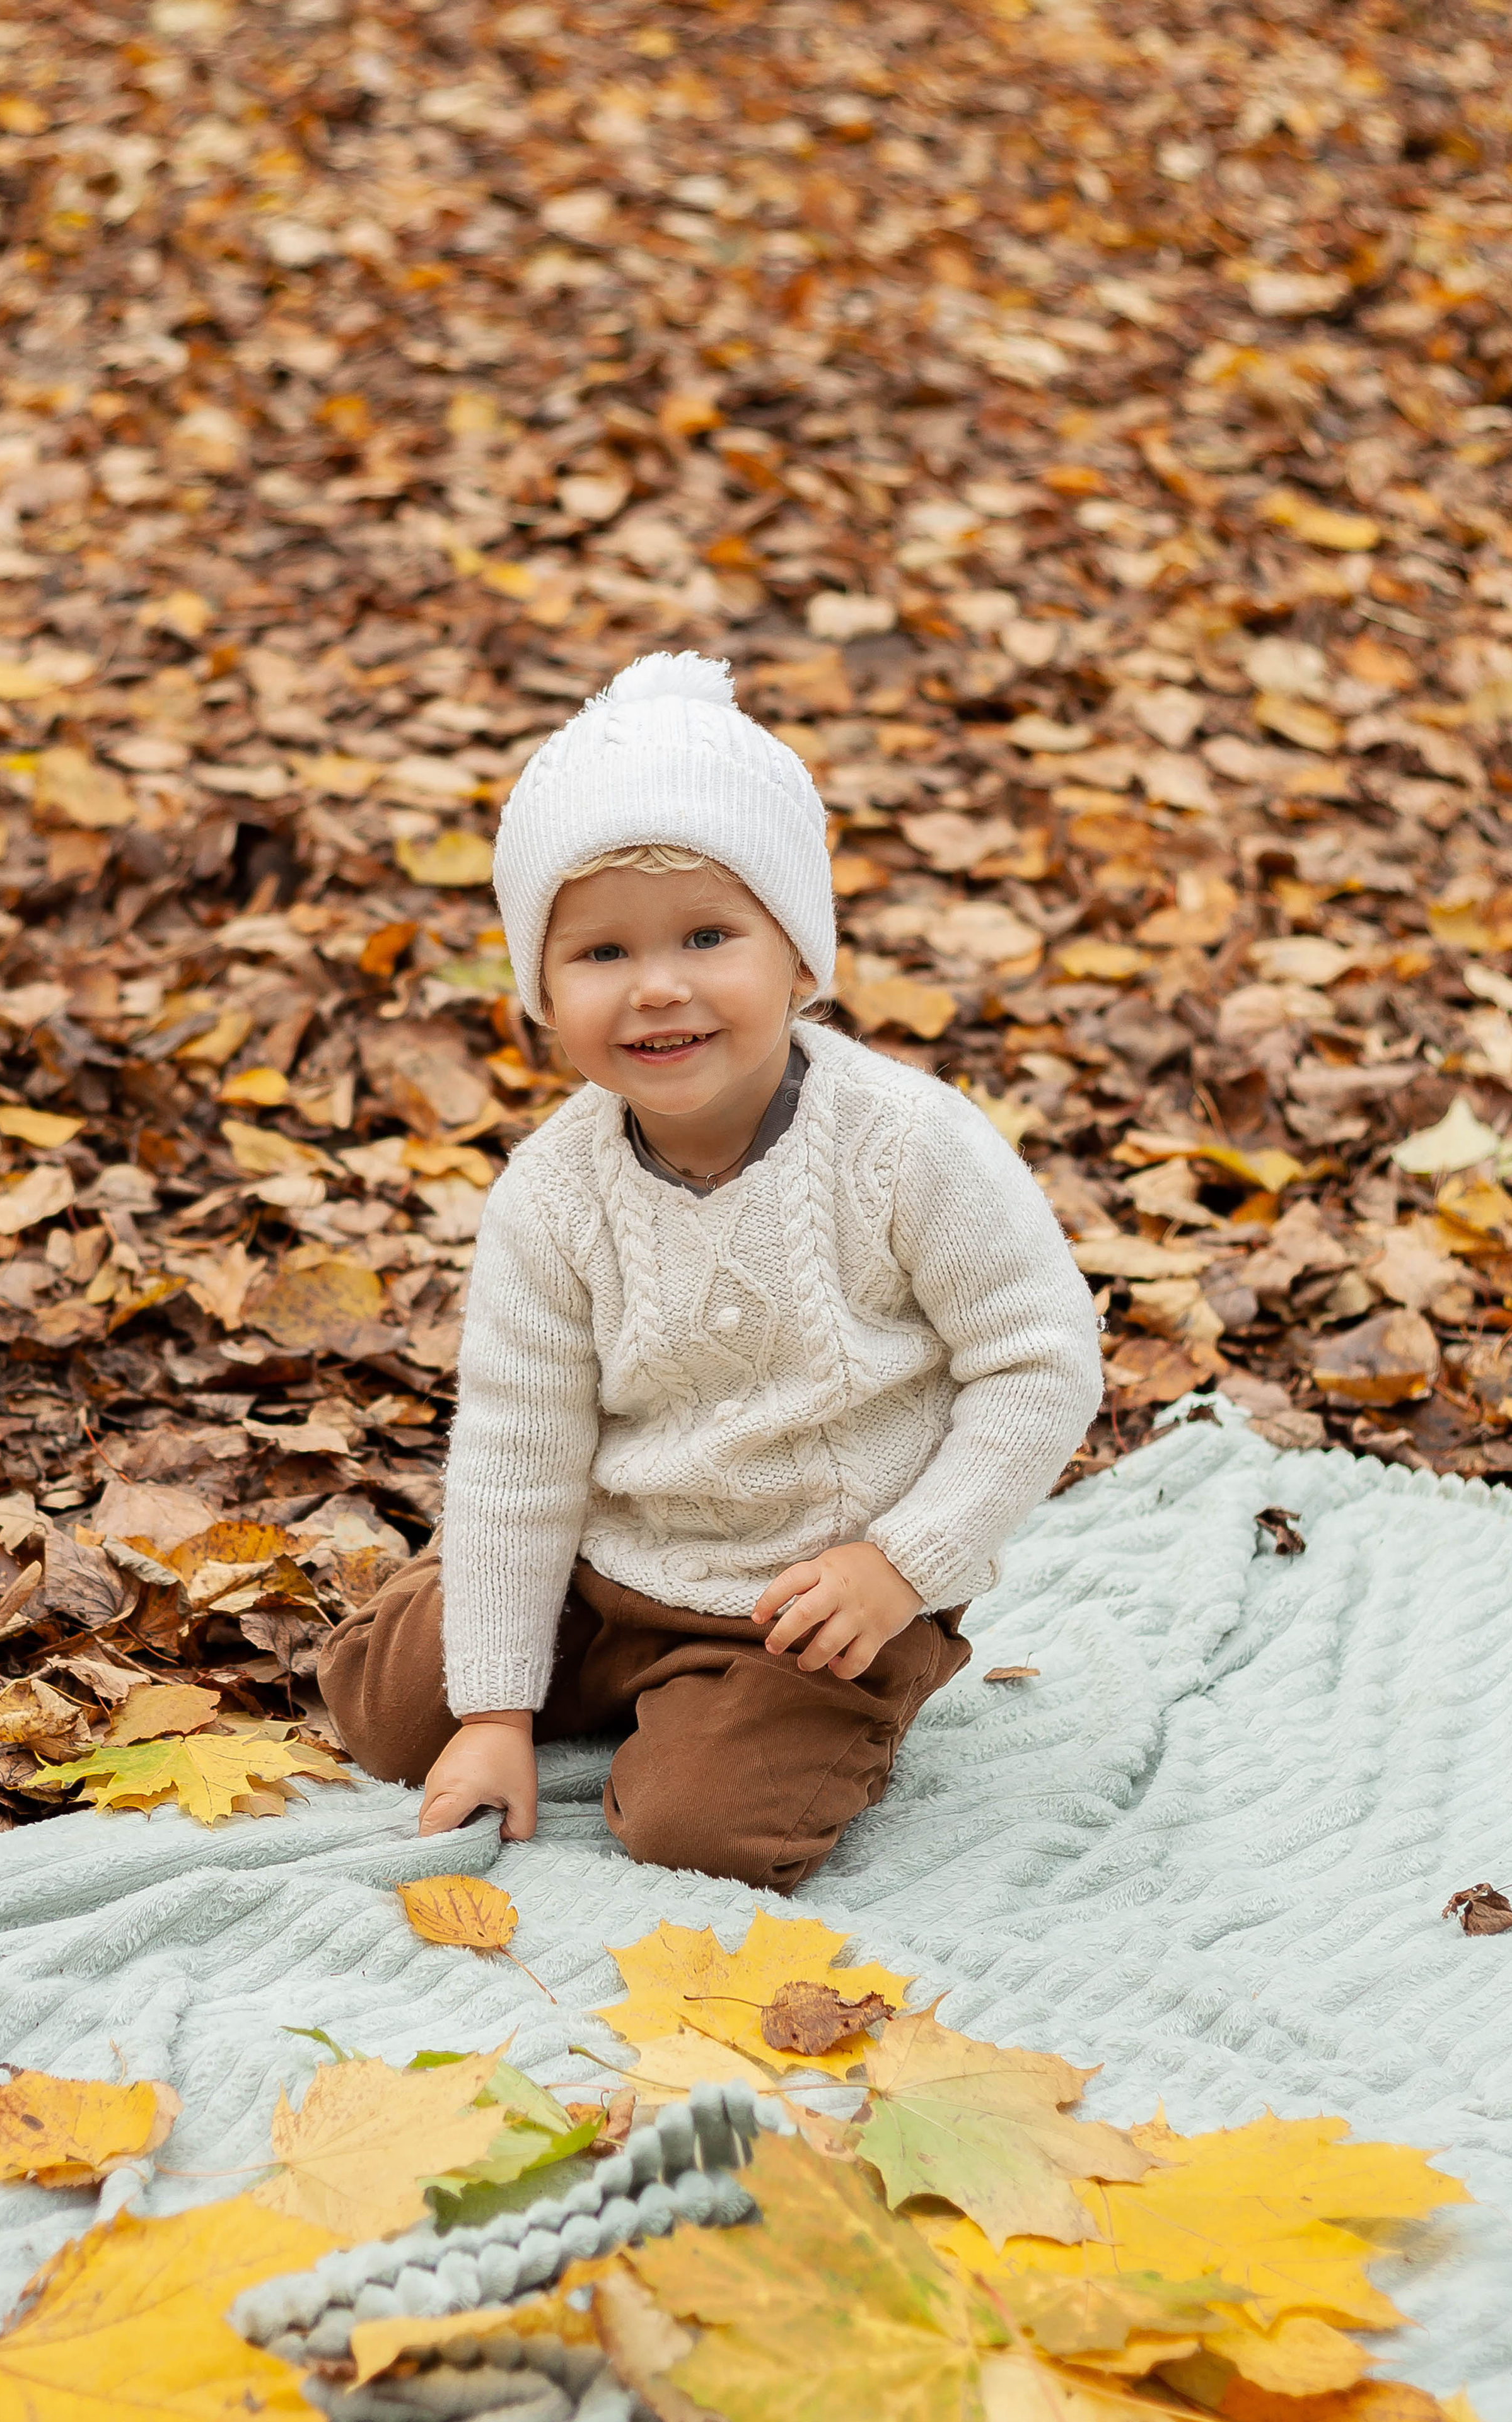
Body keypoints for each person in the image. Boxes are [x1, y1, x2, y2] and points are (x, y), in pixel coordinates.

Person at [318, 651, 1101, 1890]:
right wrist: (493, 1712)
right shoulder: (551, 1193)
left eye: (706, 934)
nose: (659, 986)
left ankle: (853, 1688)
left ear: (796, 956)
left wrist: (904, 1565)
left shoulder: (903, 1144)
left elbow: (1041, 1360)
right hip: (603, 1560)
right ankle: (513, 1633)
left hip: (809, 1594)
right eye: (600, 955)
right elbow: (524, 1448)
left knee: (701, 1835)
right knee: (385, 1710)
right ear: (541, 991)